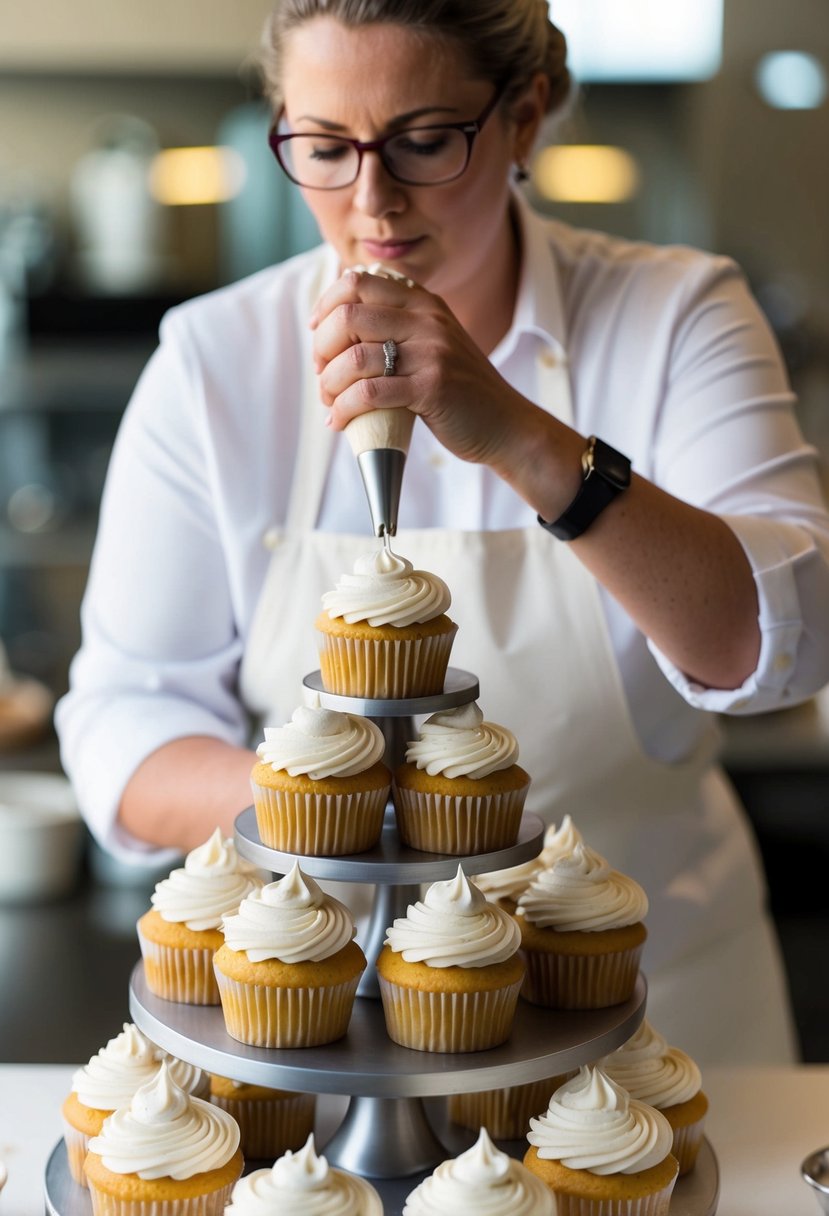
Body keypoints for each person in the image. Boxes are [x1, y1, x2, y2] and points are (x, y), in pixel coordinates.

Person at [56, 0, 829, 1064]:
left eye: (424, 141)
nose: (372, 200)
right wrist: (366, 821)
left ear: (527, 114)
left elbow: (777, 645)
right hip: (327, 1026)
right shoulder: (213, 364)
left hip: (654, 1013)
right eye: (324, 147)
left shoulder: (676, 316)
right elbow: (123, 721)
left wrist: (520, 435)